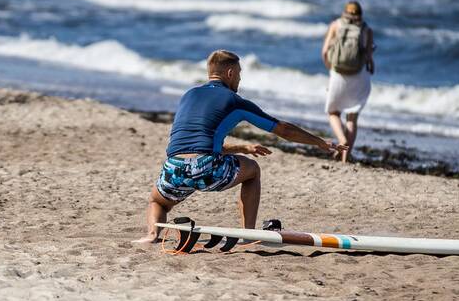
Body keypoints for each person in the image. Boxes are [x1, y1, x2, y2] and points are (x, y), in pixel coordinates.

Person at [137, 50, 345, 243]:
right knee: (253, 170)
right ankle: (248, 234)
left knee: (157, 202)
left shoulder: (188, 96)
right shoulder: (235, 101)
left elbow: (196, 144)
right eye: (238, 74)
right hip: (206, 167)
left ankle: (152, 234)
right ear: (229, 73)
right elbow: (282, 130)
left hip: (174, 166)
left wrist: (241, 148)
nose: (239, 79)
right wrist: (318, 141)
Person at [321, 1, 375, 162]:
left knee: (333, 112)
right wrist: (371, 65)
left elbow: (324, 52)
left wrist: (331, 68)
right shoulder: (366, 29)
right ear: (360, 14)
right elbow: (369, 56)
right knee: (352, 116)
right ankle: (346, 155)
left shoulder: (335, 25)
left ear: (345, 12)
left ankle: (342, 141)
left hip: (338, 74)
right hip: (359, 76)